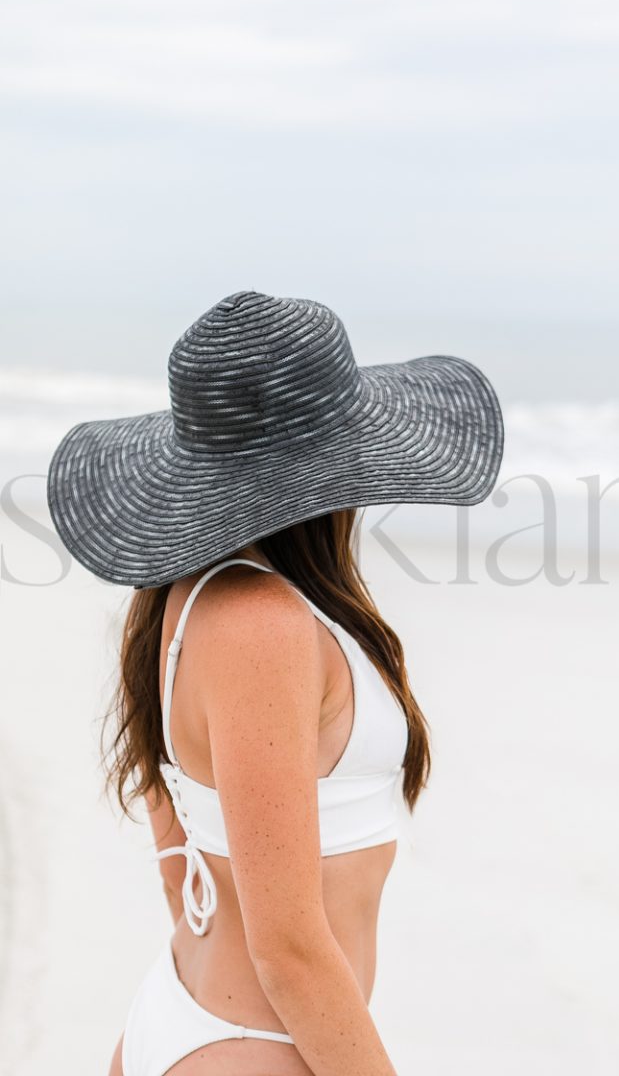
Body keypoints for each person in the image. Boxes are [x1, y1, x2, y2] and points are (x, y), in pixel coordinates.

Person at [46, 290, 505, 1076]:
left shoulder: (176, 598)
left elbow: (174, 832)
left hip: (194, 1015)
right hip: (254, 1047)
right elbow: (289, 951)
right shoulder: (262, 622)